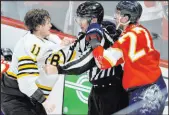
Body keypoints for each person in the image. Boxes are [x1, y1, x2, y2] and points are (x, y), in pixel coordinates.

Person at [83, 1, 167, 114]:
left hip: (146, 92)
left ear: (127, 17)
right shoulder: (143, 30)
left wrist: (94, 41)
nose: (115, 16)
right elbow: (125, 55)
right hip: (156, 86)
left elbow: (102, 62)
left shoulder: (127, 38)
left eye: (119, 13)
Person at [45, 1, 128, 115]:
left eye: (82, 19)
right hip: (96, 90)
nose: (79, 22)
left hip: (112, 93)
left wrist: (59, 69)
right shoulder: (85, 34)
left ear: (93, 20)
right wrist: (62, 46)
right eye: (78, 18)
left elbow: (86, 62)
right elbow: (73, 53)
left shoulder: (99, 36)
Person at [1, 9, 70, 115]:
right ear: (38, 27)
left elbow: (52, 48)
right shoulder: (30, 45)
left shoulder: (46, 38)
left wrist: (63, 45)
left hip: (30, 98)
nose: (51, 26)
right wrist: (45, 102)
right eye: (47, 23)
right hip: (15, 97)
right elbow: (25, 83)